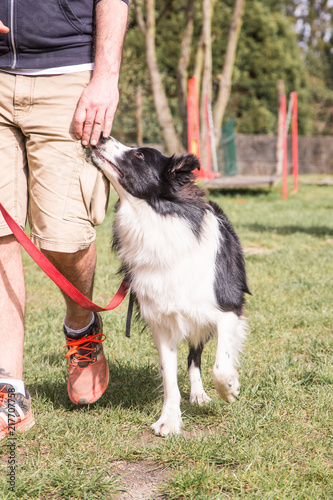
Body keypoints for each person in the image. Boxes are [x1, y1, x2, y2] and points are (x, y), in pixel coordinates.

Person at [0, 0, 129, 439]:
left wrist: (105, 77)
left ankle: (81, 327)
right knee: (0, 235)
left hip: (67, 73)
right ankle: (9, 390)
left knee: (64, 238)